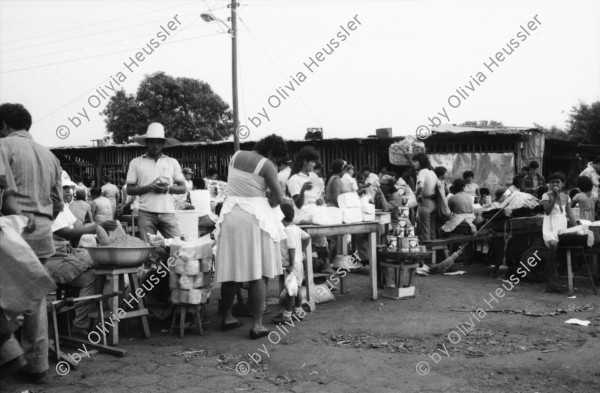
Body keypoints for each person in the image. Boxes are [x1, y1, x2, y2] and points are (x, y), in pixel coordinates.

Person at [0, 103, 63, 383]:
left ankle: (10, 353)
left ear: (3, 125)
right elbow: (59, 203)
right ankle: (36, 364)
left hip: (14, 235)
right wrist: (41, 219)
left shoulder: (3, 146)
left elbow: (4, 195)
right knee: (34, 300)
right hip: (43, 235)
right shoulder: (49, 155)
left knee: (6, 296)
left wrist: (20, 219)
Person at [215, 134, 288, 339]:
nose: (277, 162)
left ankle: (227, 317)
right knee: (259, 271)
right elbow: (278, 198)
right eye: (277, 158)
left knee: (230, 269)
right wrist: (267, 202)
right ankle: (257, 325)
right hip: (254, 218)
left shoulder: (236, 155)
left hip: (230, 214)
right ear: (272, 153)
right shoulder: (267, 165)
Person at [47, 177, 117, 336]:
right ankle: (80, 324)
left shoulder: (63, 207)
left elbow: (78, 229)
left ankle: (81, 314)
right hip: (51, 257)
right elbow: (68, 233)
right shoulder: (49, 207)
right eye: (63, 188)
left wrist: (99, 231)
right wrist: (98, 227)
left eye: (68, 188)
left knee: (95, 264)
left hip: (65, 251)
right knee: (90, 277)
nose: (67, 191)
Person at [125, 123, 187, 243]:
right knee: (149, 251)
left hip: (168, 212)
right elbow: (129, 189)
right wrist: (150, 187)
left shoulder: (172, 162)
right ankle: (152, 263)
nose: (156, 145)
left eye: (159, 142)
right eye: (152, 142)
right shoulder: (136, 162)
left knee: (177, 247)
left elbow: (183, 188)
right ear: (146, 143)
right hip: (146, 213)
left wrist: (167, 189)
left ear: (163, 144)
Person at [272, 203, 310, 325]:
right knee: (296, 289)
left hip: (292, 265)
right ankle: (298, 311)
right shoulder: (295, 228)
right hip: (298, 263)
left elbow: (291, 248)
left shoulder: (287, 230)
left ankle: (287, 315)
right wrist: (302, 251)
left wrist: (290, 264)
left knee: (290, 291)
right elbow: (307, 237)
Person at [542, 172, 577, 293]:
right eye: (552, 182)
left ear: (563, 184)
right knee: (553, 245)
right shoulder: (546, 195)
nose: (555, 184)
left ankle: (555, 276)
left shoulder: (566, 197)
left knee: (561, 249)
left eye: (557, 182)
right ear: (549, 184)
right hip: (550, 225)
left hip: (561, 225)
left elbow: (570, 213)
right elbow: (547, 211)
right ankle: (552, 275)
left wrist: (576, 228)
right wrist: (555, 197)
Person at [287, 146, 325, 221]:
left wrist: (320, 200)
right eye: (312, 162)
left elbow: (319, 195)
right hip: (303, 214)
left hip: (316, 210)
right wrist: (302, 190)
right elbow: (298, 205)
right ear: (305, 162)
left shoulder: (313, 176)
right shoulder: (294, 179)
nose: (314, 164)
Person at [412, 152, 438, 241]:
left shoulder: (422, 172)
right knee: (432, 231)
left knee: (425, 231)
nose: (413, 163)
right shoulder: (432, 172)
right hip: (434, 203)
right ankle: (434, 253)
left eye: (415, 161)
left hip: (425, 203)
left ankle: (428, 253)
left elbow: (420, 186)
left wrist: (415, 194)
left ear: (421, 162)